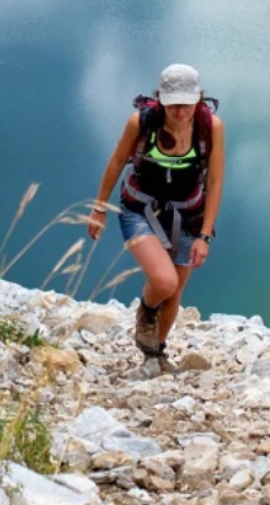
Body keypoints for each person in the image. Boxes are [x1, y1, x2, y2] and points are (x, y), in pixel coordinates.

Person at [86, 63, 227, 361]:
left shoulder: (210, 127)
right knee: (164, 282)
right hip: (139, 209)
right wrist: (99, 209)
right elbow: (116, 163)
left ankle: (154, 353)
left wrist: (205, 236)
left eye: (187, 104)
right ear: (161, 99)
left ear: (198, 99)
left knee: (175, 293)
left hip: (189, 216)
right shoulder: (141, 123)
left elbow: (215, 181)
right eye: (173, 104)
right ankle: (147, 311)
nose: (180, 111)